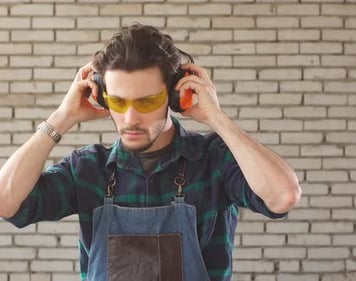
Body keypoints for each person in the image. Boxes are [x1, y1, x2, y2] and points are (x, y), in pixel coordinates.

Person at [0, 23, 301, 281]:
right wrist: (61, 118)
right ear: (104, 100)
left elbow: (282, 196)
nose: (130, 118)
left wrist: (216, 118)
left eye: (145, 102)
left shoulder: (213, 160)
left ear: (174, 96)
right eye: (118, 102)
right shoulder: (88, 169)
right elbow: (6, 201)